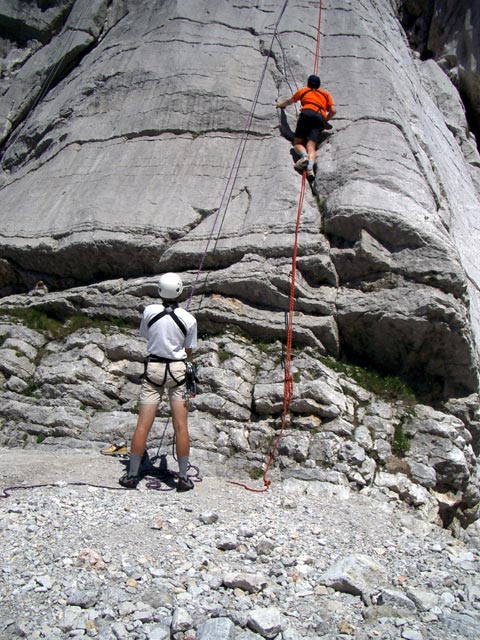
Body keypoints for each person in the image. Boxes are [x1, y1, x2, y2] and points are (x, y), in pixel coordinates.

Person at [119, 272, 198, 492]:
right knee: (181, 426)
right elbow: (188, 349)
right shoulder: (189, 319)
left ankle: (132, 475)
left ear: (160, 291)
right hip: (177, 371)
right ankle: (182, 478)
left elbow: (146, 334)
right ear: (180, 291)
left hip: (153, 369)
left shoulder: (149, 311)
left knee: (143, 425)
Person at [276, 74, 336, 179]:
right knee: (311, 146)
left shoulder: (304, 91)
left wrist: (280, 105)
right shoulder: (325, 94)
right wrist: (325, 120)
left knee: (298, 142)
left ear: (308, 84)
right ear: (319, 85)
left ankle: (304, 157)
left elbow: (290, 101)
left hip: (307, 113)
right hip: (320, 118)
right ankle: (310, 168)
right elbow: (333, 110)